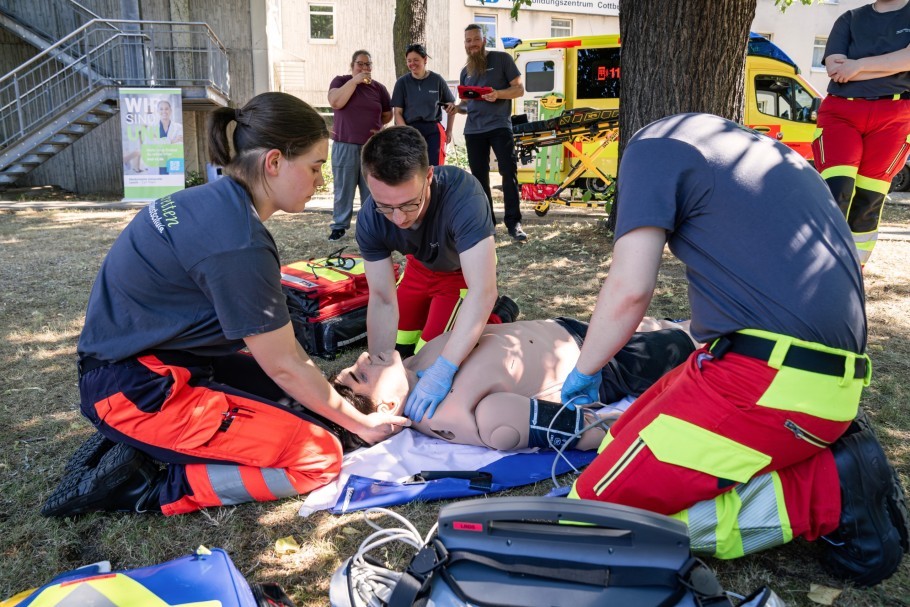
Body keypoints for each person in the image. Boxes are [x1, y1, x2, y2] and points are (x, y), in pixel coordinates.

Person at [559, 112, 908, 586]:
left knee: (589, 517)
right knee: (620, 443)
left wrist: (586, 368)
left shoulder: (650, 149)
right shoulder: (766, 153)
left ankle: (826, 489)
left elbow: (629, 290)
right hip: (809, 377)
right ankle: (817, 461)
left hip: (764, 380)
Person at [41, 92, 409, 518]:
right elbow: (285, 364)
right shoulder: (239, 242)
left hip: (148, 364)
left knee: (301, 407)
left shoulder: (206, 203)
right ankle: (150, 484)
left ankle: (147, 440)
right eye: (314, 167)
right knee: (320, 453)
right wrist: (362, 424)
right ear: (274, 162)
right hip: (137, 389)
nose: (320, 182)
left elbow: (273, 354)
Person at [333, 317, 697, 450]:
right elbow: (506, 425)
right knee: (696, 341)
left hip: (570, 331)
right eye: (362, 376)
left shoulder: (412, 369)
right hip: (609, 366)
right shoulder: (449, 414)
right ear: (387, 408)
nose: (364, 358)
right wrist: (623, 430)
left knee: (659, 323)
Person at [356, 125, 517, 424]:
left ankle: (499, 315)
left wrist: (443, 369)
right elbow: (381, 297)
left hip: (461, 274)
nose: (398, 218)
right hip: (419, 268)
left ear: (429, 176)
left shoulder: (464, 197)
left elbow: (482, 290)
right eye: (385, 207)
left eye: (409, 204)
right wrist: (379, 370)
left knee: (428, 357)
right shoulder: (370, 217)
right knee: (399, 351)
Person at [811, 0, 910, 267]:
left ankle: (853, 271)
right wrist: (888, 66)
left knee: (869, 199)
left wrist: (857, 66)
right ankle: (818, 264)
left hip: (895, 116)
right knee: (837, 189)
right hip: (842, 113)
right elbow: (834, 66)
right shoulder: (849, 18)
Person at [444, 24, 527, 243]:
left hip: (500, 126)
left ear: (484, 40)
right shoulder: (466, 71)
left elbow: (519, 89)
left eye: (475, 39)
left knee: (508, 173)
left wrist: (498, 93)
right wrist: (456, 108)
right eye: (468, 41)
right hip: (474, 131)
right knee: (479, 180)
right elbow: (466, 105)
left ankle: (514, 223)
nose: (472, 44)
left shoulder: (502, 60)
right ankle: (487, 222)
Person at [327, 50, 393, 242]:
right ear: (352, 65)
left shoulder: (379, 88)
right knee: (343, 188)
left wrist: (379, 128)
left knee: (371, 188)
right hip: (344, 144)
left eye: (368, 64)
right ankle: (339, 227)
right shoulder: (341, 81)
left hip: (370, 148)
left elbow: (387, 114)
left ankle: (369, 225)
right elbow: (335, 102)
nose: (365, 68)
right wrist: (355, 81)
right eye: (360, 64)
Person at [391, 43, 456, 166]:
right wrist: (407, 132)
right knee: (413, 170)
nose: (412, 64)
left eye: (416, 60)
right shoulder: (402, 83)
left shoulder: (437, 80)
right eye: (409, 61)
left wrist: (449, 130)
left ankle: (434, 186)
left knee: (434, 169)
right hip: (410, 130)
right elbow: (397, 113)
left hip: (433, 130)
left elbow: (451, 106)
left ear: (425, 59)